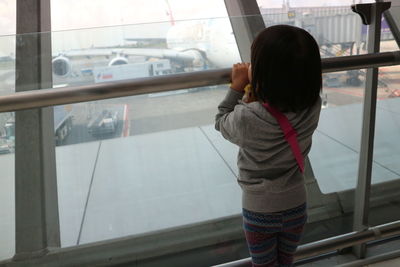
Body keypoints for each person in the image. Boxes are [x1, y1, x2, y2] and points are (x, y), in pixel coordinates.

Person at [215, 25, 322, 266]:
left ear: (262, 74)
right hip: (296, 204)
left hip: (259, 211)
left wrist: (236, 87)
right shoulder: (313, 106)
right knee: (286, 260)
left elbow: (222, 122)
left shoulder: (246, 117)